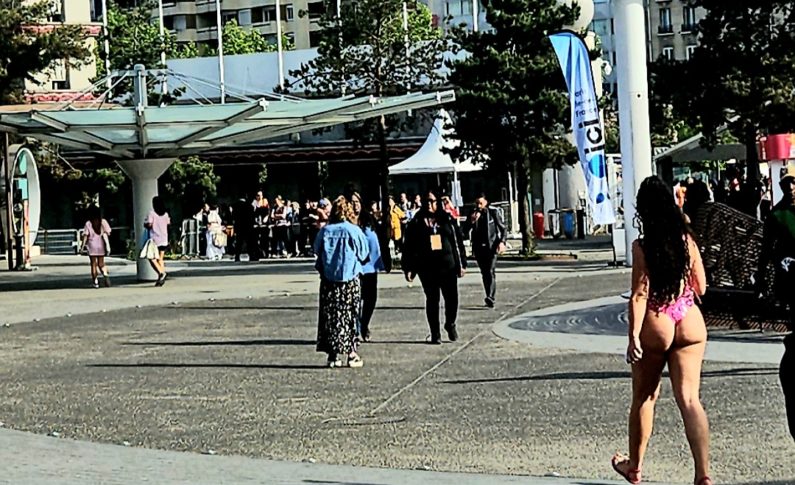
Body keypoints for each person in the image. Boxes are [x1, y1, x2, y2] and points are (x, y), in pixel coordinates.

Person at [612, 176, 710, 485]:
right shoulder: (687, 240)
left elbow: (640, 295)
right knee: (690, 399)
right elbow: (701, 287)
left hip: (657, 319)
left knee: (645, 396)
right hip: (688, 318)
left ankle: (634, 466)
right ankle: (703, 474)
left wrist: (633, 337)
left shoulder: (642, 246)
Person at [757, 165, 795, 442]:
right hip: (789, 280)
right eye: (786, 184)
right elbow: (766, 250)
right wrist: (761, 282)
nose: (790, 188)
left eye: (793, 182)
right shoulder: (777, 215)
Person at [402, 189, 467, 345]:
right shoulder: (417, 221)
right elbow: (409, 246)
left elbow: (457, 242)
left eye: (432, 201)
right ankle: (435, 333)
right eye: (426, 201)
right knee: (432, 300)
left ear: (438, 202)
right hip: (427, 267)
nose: (429, 204)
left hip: (448, 266)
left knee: (452, 299)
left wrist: (461, 264)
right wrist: (408, 267)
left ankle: (450, 323)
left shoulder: (447, 219)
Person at [314, 196, 369, 368]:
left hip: (328, 281)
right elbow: (363, 253)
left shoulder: (325, 231)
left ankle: (333, 355)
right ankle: (352, 354)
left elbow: (316, 250)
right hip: (350, 279)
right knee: (350, 316)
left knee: (331, 317)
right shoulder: (354, 231)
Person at [463, 194, 507, 308]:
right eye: (477, 203)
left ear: (486, 202)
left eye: (481, 203)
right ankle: (488, 294)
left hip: (491, 246)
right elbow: (464, 231)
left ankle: (490, 297)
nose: (478, 206)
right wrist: (472, 221)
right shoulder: (473, 213)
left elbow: (503, 228)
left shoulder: (493, 212)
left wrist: (502, 242)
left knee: (490, 270)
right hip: (478, 247)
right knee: (484, 272)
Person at [81, 205, 112, 288]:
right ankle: (105, 274)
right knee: (101, 263)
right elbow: (108, 232)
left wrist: (82, 247)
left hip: (92, 246)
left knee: (93, 264)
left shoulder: (88, 223)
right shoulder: (103, 222)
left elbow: (85, 236)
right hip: (101, 245)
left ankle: (95, 282)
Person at [144, 196, 171, 287]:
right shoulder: (166, 214)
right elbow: (168, 223)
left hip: (155, 239)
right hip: (164, 238)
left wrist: (145, 224)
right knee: (160, 259)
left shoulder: (152, 213)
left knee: (151, 258)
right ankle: (161, 277)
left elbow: (149, 224)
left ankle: (161, 273)